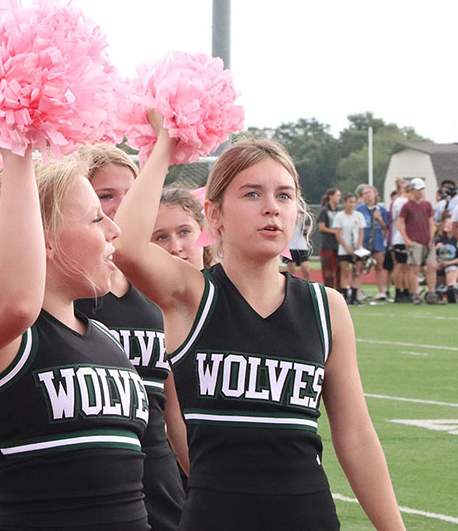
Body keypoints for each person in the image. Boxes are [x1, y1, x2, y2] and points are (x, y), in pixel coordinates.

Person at [113, 116, 405, 530]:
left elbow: (356, 437)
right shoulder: (192, 295)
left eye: (284, 195)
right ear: (214, 215)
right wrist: (165, 145)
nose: (272, 207)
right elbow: (124, 245)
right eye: (252, 194)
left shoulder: (327, 308)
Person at [0, 141, 151, 530]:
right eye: (95, 219)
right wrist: (17, 148)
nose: (114, 229)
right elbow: (16, 305)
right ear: (44, 237)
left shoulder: (106, 338)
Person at [71, 144, 186, 531]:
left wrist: (204, 486)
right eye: (106, 197)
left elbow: (174, 412)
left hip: (161, 487)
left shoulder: (160, 293)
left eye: (131, 194)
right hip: (89, 492)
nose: (121, 207)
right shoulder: (62, 293)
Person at [398, 178, 442, 305]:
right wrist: (407, 240)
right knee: (414, 269)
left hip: (427, 241)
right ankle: (415, 294)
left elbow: (430, 222)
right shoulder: (407, 206)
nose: (421, 192)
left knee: (432, 266)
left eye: (422, 189)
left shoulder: (427, 205)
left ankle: (431, 293)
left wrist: (431, 238)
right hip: (414, 241)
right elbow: (400, 224)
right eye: (418, 190)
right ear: (412, 190)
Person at [356, 185, 390, 301]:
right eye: (365, 193)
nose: (367, 195)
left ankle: (381, 291)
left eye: (369, 192)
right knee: (360, 266)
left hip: (377, 241)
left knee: (379, 266)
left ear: (375, 194)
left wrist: (379, 218)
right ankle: (358, 291)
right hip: (363, 241)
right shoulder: (360, 209)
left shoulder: (381, 209)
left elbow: (386, 227)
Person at [389, 179, 411, 302]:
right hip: (401, 237)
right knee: (400, 265)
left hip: (406, 237)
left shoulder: (404, 201)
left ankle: (405, 290)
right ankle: (399, 291)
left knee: (406, 266)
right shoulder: (401, 201)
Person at [317, 187, 341, 289]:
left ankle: (340, 293)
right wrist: (335, 231)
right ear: (330, 196)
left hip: (339, 245)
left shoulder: (340, 211)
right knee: (328, 273)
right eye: (337, 195)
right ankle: (329, 293)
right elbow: (321, 227)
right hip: (328, 246)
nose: (339, 198)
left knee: (339, 271)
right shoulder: (325, 211)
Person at [435, 212, 458, 302]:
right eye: (446, 223)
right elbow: (430, 255)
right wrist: (436, 248)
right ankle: (435, 291)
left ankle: (451, 290)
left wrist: (448, 263)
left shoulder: (456, 241)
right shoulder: (439, 240)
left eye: (450, 224)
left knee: (451, 269)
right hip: (440, 264)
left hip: (453, 265)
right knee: (431, 267)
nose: (447, 225)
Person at [285, 211, 312, 281]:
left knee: (306, 268)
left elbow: (307, 226)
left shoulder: (304, 213)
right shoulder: (289, 211)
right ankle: (290, 287)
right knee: (291, 269)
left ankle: (308, 286)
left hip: (302, 245)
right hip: (291, 245)